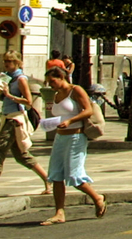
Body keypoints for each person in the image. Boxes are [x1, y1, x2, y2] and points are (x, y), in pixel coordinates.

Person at [40, 66, 106, 224]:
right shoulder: (56, 94)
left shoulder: (75, 90)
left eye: (52, 81)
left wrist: (70, 121)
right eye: (48, 82)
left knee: (74, 175)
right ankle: (59, 212)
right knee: (56, 175)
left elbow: (88, 110)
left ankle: (97, 197)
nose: (50, 85)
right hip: (60, 137)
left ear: (61, 77)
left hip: (75, 137)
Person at [0, 51, 52, 196]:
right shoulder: (7, 77)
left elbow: (28, 101)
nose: (6, 64)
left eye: (9, 61)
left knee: (0, 150)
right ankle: (48, 179)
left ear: (17, 62)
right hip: (6, 116)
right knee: (21, 155)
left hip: (15, 119)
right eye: (5, 61)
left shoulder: (21, 79)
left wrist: (9, 95)